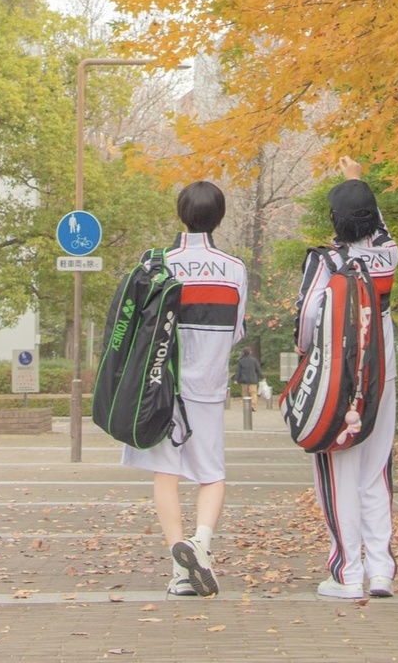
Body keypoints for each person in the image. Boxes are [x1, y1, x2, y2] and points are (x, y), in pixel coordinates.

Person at [120, 181, 248, 598]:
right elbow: (235, 331)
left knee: (166, 475)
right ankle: (201, 543)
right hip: (208, 388)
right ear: (220, 216)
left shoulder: (158, 263)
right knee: (212, 475)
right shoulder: (234, 269)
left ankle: (179, 570)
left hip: (161, 387)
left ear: (180, 213)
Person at [294, 156, 398, 600]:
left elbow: (304, 329)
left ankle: (347, 572)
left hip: (339, 379)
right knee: (375, 469)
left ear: (334, 221)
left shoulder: (326, 262)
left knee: (338, 471)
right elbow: (379, 228)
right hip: (382, 371)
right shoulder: (388, 255)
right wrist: (355, 181)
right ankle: (381, 570)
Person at [232, 346, 263, 411]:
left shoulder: (241, 361)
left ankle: (246, 406)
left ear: (243, 353)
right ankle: (253, 405)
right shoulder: (254, 360)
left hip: (244, 380)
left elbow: (238, 371)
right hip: (253, 379)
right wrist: (262, 377)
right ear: (250, 352)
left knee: (245, 393)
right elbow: (258, 369)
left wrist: (235, 379)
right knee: (253, 393)